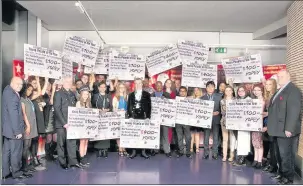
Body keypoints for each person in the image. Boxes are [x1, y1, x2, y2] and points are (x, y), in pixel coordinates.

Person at [267, 70, 302, 184]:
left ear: (288, 76)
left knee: (286, 156)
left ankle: (288, 178)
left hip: (285, 130)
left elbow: (294, 111)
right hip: (277, 129)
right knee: (279, 154)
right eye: (278, 76)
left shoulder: (293, 90)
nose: (279, 78)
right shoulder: (280, 90)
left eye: (282, 76)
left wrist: (289, 128)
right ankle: (281, 174)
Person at [2, 77, 33, 179]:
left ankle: (6, 173)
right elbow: (13, 114)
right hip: (14, 131)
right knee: (16, 152)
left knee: (7, 152)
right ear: (12, 82)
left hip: (7, 130)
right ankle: (17, 173)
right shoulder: (12, 95)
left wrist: (25, 79)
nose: (20, 86)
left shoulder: (7, 90)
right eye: (17, 84)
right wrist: (17, 131)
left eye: (21, 84)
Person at [53, 77, 82, 169]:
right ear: (63, 82)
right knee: (61, 144)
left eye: (70, 82)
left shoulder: (72, 94)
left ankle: (73, 161)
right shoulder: (58, 93)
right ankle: (62, 162)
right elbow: (57, 109)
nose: (69, 83)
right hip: (62, 124)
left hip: (71, 123)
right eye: (67, 81)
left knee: (72, 143)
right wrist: (64, 123)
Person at [127, 78, 151, 159]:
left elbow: (149, 107)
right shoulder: (131, 95)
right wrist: (130, 116)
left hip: (143, 116)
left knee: (143, 134)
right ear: (134, 84)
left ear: (142, 84)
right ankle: (133, 151)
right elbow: (129, 106)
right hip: (134, 116)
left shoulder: (147, 94)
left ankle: (143, 151)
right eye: (136, 83)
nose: (138, 85)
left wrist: (148, 117)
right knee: (134, 134)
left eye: (139, 83)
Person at [201, 81, 222, 160]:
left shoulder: (219, 97)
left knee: (216, 137)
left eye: (212, 86)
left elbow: (222, 108)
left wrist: (219, 112)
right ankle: (206, 153)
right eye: (208, 86)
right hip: (206, 121)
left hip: (216, 120)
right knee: (206, 137)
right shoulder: (202, 98)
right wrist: (211, 113)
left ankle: (215, 153)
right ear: (206, 88)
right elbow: (201, 111)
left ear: (214, 88)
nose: (210, 88)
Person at [151, 81, 172, 158]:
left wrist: (166, 100)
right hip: (155, 118)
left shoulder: (167, 95)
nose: (159, 87)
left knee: (165, 135)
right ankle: (155, 150)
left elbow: (171, 106)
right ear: (155, 86)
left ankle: (167, 151)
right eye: (157, 86)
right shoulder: (152, 95)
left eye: (160, 85)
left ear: (162, 86)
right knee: (156, 134)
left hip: (164, 118)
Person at [20, 84, 39, 172]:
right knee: (25, 147)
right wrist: (27, 126)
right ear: (24, 89)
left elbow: (39, 93)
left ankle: (28, 164)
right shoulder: (21, 99)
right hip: (27, 126)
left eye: (31, 90)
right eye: (28, 90)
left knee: (29, 146)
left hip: (32, 125)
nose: (30, 92)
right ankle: (24, 167)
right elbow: (23, 114)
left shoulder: (28, 99)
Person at [92, 81, 112, 158]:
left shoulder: (108, 96)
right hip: (98, 116)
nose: (103, 88)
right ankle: (98, 149)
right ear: (98, 88)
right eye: (101, 87)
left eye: (104, 87)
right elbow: (92, 106)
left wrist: (108, 110)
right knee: (99, 132)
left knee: (106, 132)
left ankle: (105, 149)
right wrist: (98, 110)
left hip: (106, 117)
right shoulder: (95, 96)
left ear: (106, 88)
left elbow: (111, 107)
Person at [232, 85, 252, 166]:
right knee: (238, 141)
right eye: (239, 91)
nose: (240, 92)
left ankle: (242, 159)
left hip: (245, 125)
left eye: (242, 91)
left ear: (246, 91)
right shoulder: (236, 100)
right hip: (237, 124)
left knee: (244, 141)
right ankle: (239, 157)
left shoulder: (249, 100)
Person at [262, 79, 278, 174]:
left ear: (274, 85)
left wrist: (268, 126)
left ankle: (273, 166)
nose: (267, 86)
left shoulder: (276, 96)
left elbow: (276, 113)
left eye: (270, 84)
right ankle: (271, 164)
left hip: (272, 125)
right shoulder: (267, 96)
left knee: (273, 146)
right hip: (266, 122)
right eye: (266, 84)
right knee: (268, 144)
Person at [220, 85, 236, 162]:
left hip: (233, 122)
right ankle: (224, 156)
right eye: (227, 90)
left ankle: (231, 155)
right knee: (225, 139)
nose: (228, 92)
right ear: (225, 92)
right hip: (224, 122)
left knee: (232, 139)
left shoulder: (236, 100)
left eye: (230, 90)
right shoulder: (222, 101)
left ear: (232, 91)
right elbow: (223, 112)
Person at [251, 84, 266, 169]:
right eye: (255, 90)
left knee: (259, 142)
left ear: (262, 91)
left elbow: (266, 114)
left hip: (260, 123)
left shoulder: (264, 100)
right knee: (254, 142)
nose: (256, 92)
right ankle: (255, 159)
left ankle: (260, 161)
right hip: (253, 123)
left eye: (258, 90)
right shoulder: (253, 100)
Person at [175, 86, 192, 159]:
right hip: (178, 121)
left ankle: (188, 152)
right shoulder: (176, 100)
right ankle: (181, 151)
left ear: (186, 92)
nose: (182, 92)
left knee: (188, 137)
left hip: (186, 121)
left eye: (184, 91)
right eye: (181, 91)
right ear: (179, 92)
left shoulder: (190, 100)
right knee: (179, 137)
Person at [112, 82, 129, 157]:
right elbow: (113, 108)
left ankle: (124, 148)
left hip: (125, 116)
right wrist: (119, 110)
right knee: (118, 133)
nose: (122, 89)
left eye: (123, 87)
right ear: (118, 89)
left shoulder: (127, 96)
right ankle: (120, 148)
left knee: (124, 133)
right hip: (118, 117)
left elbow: (129, 107)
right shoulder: (115, 97)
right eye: (120, 87)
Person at [76, 86, 91, 166]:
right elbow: (77, 115)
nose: (86, 96)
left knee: (86, 141)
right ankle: (81, 158)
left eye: (87, 94)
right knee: (82, 141)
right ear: (81, 95)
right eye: (84, 94)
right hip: (81, 126)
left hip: (88, 125)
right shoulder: (78, 103)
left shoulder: (88, 103)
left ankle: (84, 156)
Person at [190, 87, 203, 154]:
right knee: (192, 134)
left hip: (198, 119)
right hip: (192, 118)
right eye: (195, 90)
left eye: (197, 90)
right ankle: (191, 148)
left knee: (197, 134)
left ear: (200, 91)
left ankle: (197, 148)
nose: (196, 91)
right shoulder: (191, 98)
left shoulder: (202, 99)